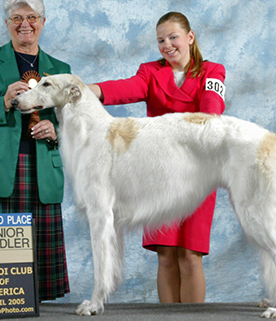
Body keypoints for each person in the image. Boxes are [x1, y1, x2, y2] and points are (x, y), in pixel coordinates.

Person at [88, 12, 225, 303]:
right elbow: (127, 88)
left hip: (197, 175)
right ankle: (168, 320)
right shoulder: (149, 71)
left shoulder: (212, 72)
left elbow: (211, 111)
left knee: (189, 255)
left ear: (190, 37)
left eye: (173, 36)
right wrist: (93, 91)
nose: (166, 44)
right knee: (165, 255)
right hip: (157, 176)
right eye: (161, 40)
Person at [0, 0, 70, 301]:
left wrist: (58, 131)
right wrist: (3, 102)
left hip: (42, 170)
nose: (25, 24)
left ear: (43, 21)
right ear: (7, 24)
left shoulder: (60, 70)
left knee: (38, 272)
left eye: (32, 17)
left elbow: (77, 125)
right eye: (17, 18)